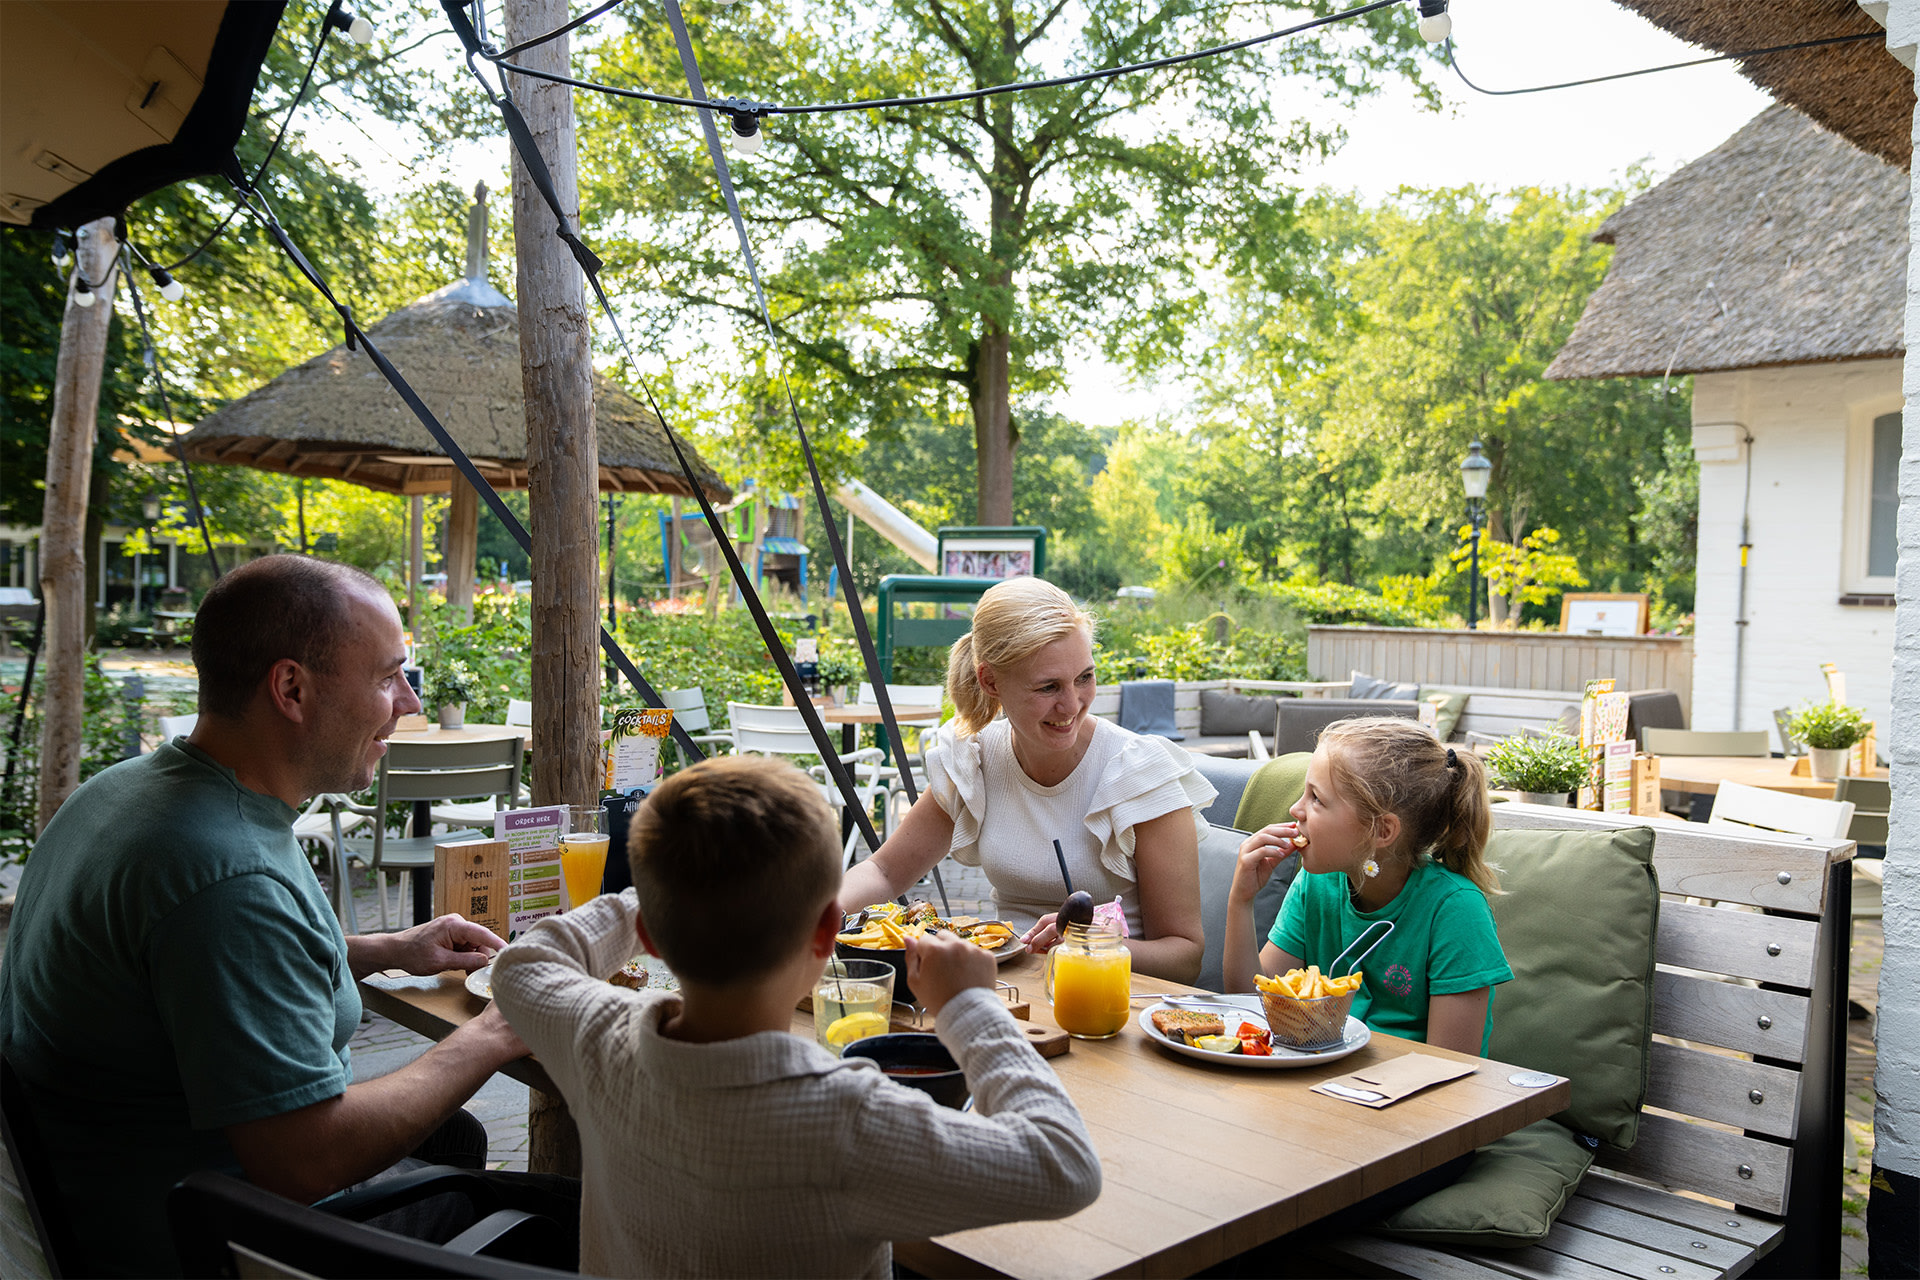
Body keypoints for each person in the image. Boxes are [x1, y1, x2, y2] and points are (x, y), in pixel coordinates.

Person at [0, 555, 547, 1277]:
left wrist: (387, 947)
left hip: (108, 1192)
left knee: (452, 1140)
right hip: (212, 1241)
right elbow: (304, 1159)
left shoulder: (130, 793)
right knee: (556, 1221)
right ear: (290, 688)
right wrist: (493, 1034)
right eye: (388, 677)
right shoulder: (224, 877)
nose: (409, 704)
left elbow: (201, 971)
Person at [490, 753, 1101, 1278]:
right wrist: (970, 1007)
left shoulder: (600, 1039)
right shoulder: (846, 1119)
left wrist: (664, 893)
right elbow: (1065, 1165)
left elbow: (523, 965)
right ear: (827, 935)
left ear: (649, 937)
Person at [837, 577, 1212, 983]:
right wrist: (808, 921)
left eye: (1084, 677)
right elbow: (886, 873)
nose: (1071, 705)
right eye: (1048, 686)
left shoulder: (1137, 773)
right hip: (1009, 995)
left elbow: (1184, 956)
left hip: (1113, 1003)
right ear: (991, 681)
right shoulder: (976, 759)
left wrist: (1088, 943)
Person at [1222, 717, 1512, 1056]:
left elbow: (1451, 1067)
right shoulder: (1316, 883)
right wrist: (1241, 900)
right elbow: (1253, 1003)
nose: (1295, 809)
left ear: (1381, 831)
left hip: (1413, 1097)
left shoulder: (1456, 910)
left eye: (1316, 798)